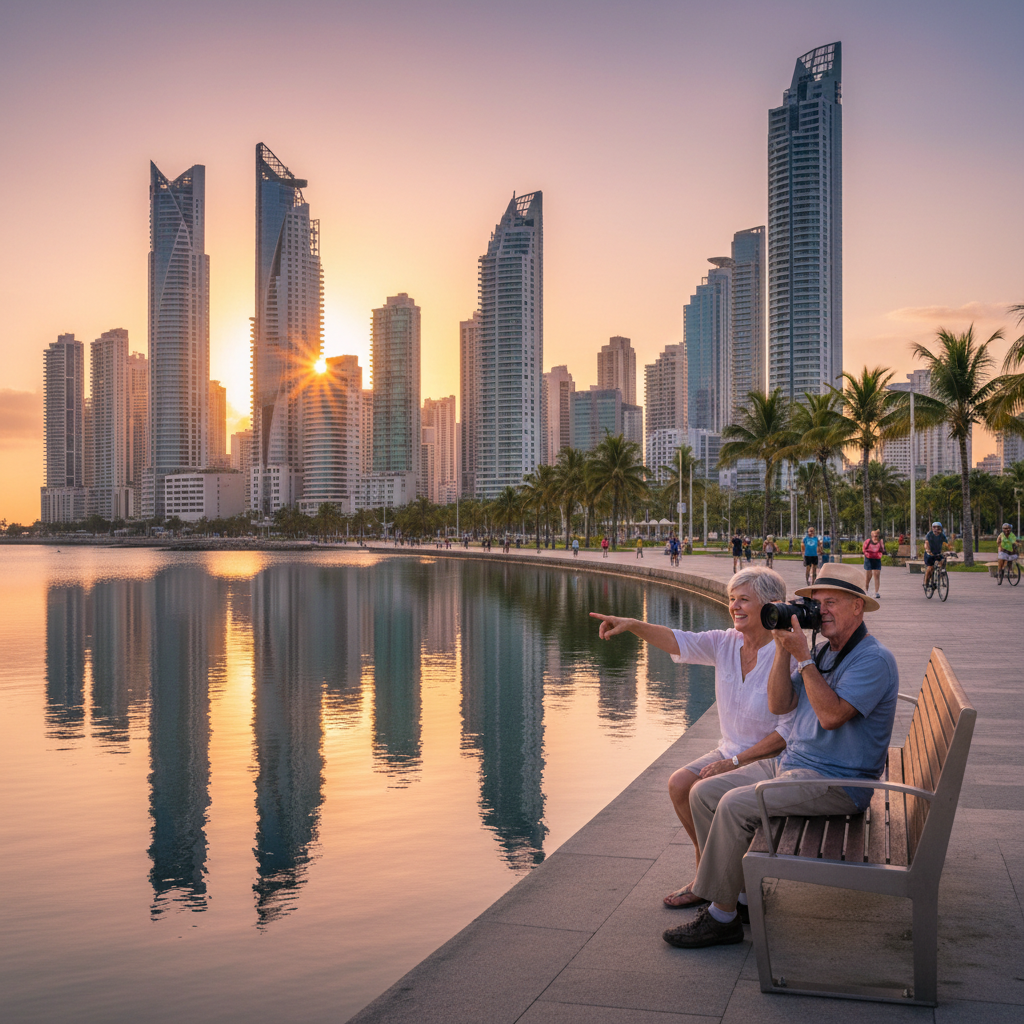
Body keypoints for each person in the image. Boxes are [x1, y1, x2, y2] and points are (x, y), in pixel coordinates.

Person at [659, 562, 897, 948]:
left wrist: (802, 656)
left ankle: (721, 919)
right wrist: (784, 650)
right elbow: (779, 704)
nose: (822, 612)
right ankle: (739, 898)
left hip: (837, 781)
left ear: (858, 607)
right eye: (817, 603)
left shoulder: (873, 659)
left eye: (831, 602)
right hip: (795, 765)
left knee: (735, 805)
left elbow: (832, 716)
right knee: (703, 791)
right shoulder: (826, 653)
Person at [589, 567, 796, 911]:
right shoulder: (726, 642)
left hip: (768, 760)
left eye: (744, 599)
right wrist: (632, 624)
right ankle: (707, 870)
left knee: (701, 788)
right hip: (730, 750)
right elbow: (678, 640)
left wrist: (731, 764)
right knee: (679, 783)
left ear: (772, 605)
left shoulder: (785, 652)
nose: (735, 607)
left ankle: (718, 883)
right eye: (732, 599)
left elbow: (786, 734)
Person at [922, 522, 950, 589]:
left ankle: (940, 574)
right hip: (929, 553)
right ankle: (926, 583)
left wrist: (949, 551)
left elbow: (946, 544)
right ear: (932, 528)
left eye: (938, 528)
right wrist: (928, 551)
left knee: (943, 561)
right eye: (934, 527)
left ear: (941, 529)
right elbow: (926, 543)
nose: (936, 529)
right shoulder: (929, 535)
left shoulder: (942, 536)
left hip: (938, 553)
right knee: (930, 567)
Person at [862, 528, 885, 598]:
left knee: (877, 575)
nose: (876, 537)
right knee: (868, 576)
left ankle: (876, 592)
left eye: (877, 536)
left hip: (877, 559)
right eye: (874, 536)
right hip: (868, 559)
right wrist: (867, 555)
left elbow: (883, 550)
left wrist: (881, 552)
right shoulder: (868, 541)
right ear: (872, 535)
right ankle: (866, 590)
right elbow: (864, 549)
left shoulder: (880, 542)